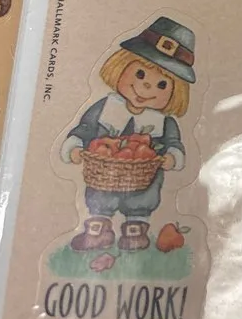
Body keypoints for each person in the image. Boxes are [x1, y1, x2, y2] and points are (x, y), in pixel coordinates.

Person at [61, 17, 195, 254]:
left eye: (162, 85)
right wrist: (75, 146)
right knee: (101, 196)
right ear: (120, 67)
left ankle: (136, 229)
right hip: (104, 173)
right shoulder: (106, 107)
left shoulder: (163, 122)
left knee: (142, 199)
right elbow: (85, 127)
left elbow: (173, 143)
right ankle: (98, 229)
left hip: (144, 178)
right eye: (140, 74)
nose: (146, 88)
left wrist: (172, 157)